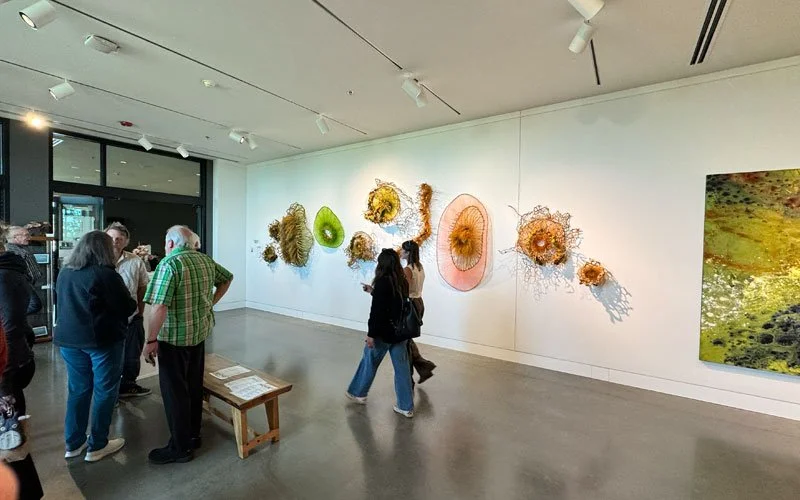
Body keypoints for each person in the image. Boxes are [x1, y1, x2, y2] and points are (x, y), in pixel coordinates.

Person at [143, 226, 233, 464]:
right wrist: (211, 302)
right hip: (198, 334)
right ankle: (193, 435)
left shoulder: (169, 264)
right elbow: (227, 278)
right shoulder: (204, 260)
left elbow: (159, 306)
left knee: (174, 392)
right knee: (193, 386)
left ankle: (180, 447)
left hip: (173, 339)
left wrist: (151, 340)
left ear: (171, 243)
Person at [55, 231, 136, 463]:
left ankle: (73, 444)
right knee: (105, 390)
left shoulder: (66, 272)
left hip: (69, 341)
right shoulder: (105, 274)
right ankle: (98, 445)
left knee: (78, 390)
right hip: (102, 341)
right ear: (104, 250)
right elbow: (127, 306)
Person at [0, 226, 43, 499]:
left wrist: (3, 385)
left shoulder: (5, 276)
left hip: (8, 369)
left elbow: (10, 327)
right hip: (12, 363)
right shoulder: (12, 271)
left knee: (11, 441)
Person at [346, 249, 415, 418]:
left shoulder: (383, 281)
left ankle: (358, 392)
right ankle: (406, 406)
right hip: (400, 333)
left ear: (382, 264)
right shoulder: (402, 281)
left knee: (369, 361)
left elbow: (377, 312)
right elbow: (392, 302)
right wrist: (373, 291)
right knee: (402, 370)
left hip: (383, 334)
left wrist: (371, 334)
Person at [105, 223, 151, 398]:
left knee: (132, 356)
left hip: (131, 318)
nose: (115, 242)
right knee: (107, 359)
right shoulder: (98, 260)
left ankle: (128, 386)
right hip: (106, 321)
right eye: (111, 238)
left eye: (119, 239)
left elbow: (142, 287)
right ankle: (109, 393)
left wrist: (140, 312)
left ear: (126, 241)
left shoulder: (135, 261)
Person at [400, 240, 436, 384]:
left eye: (403, 250)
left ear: (408, 252)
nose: (401, 252)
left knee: (404, 340)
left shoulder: (408, 269)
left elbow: (406, 290)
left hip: (411, 305)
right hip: (419, 302)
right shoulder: (419, 267)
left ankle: (410, 376)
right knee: (407, 339)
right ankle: (423, 368)